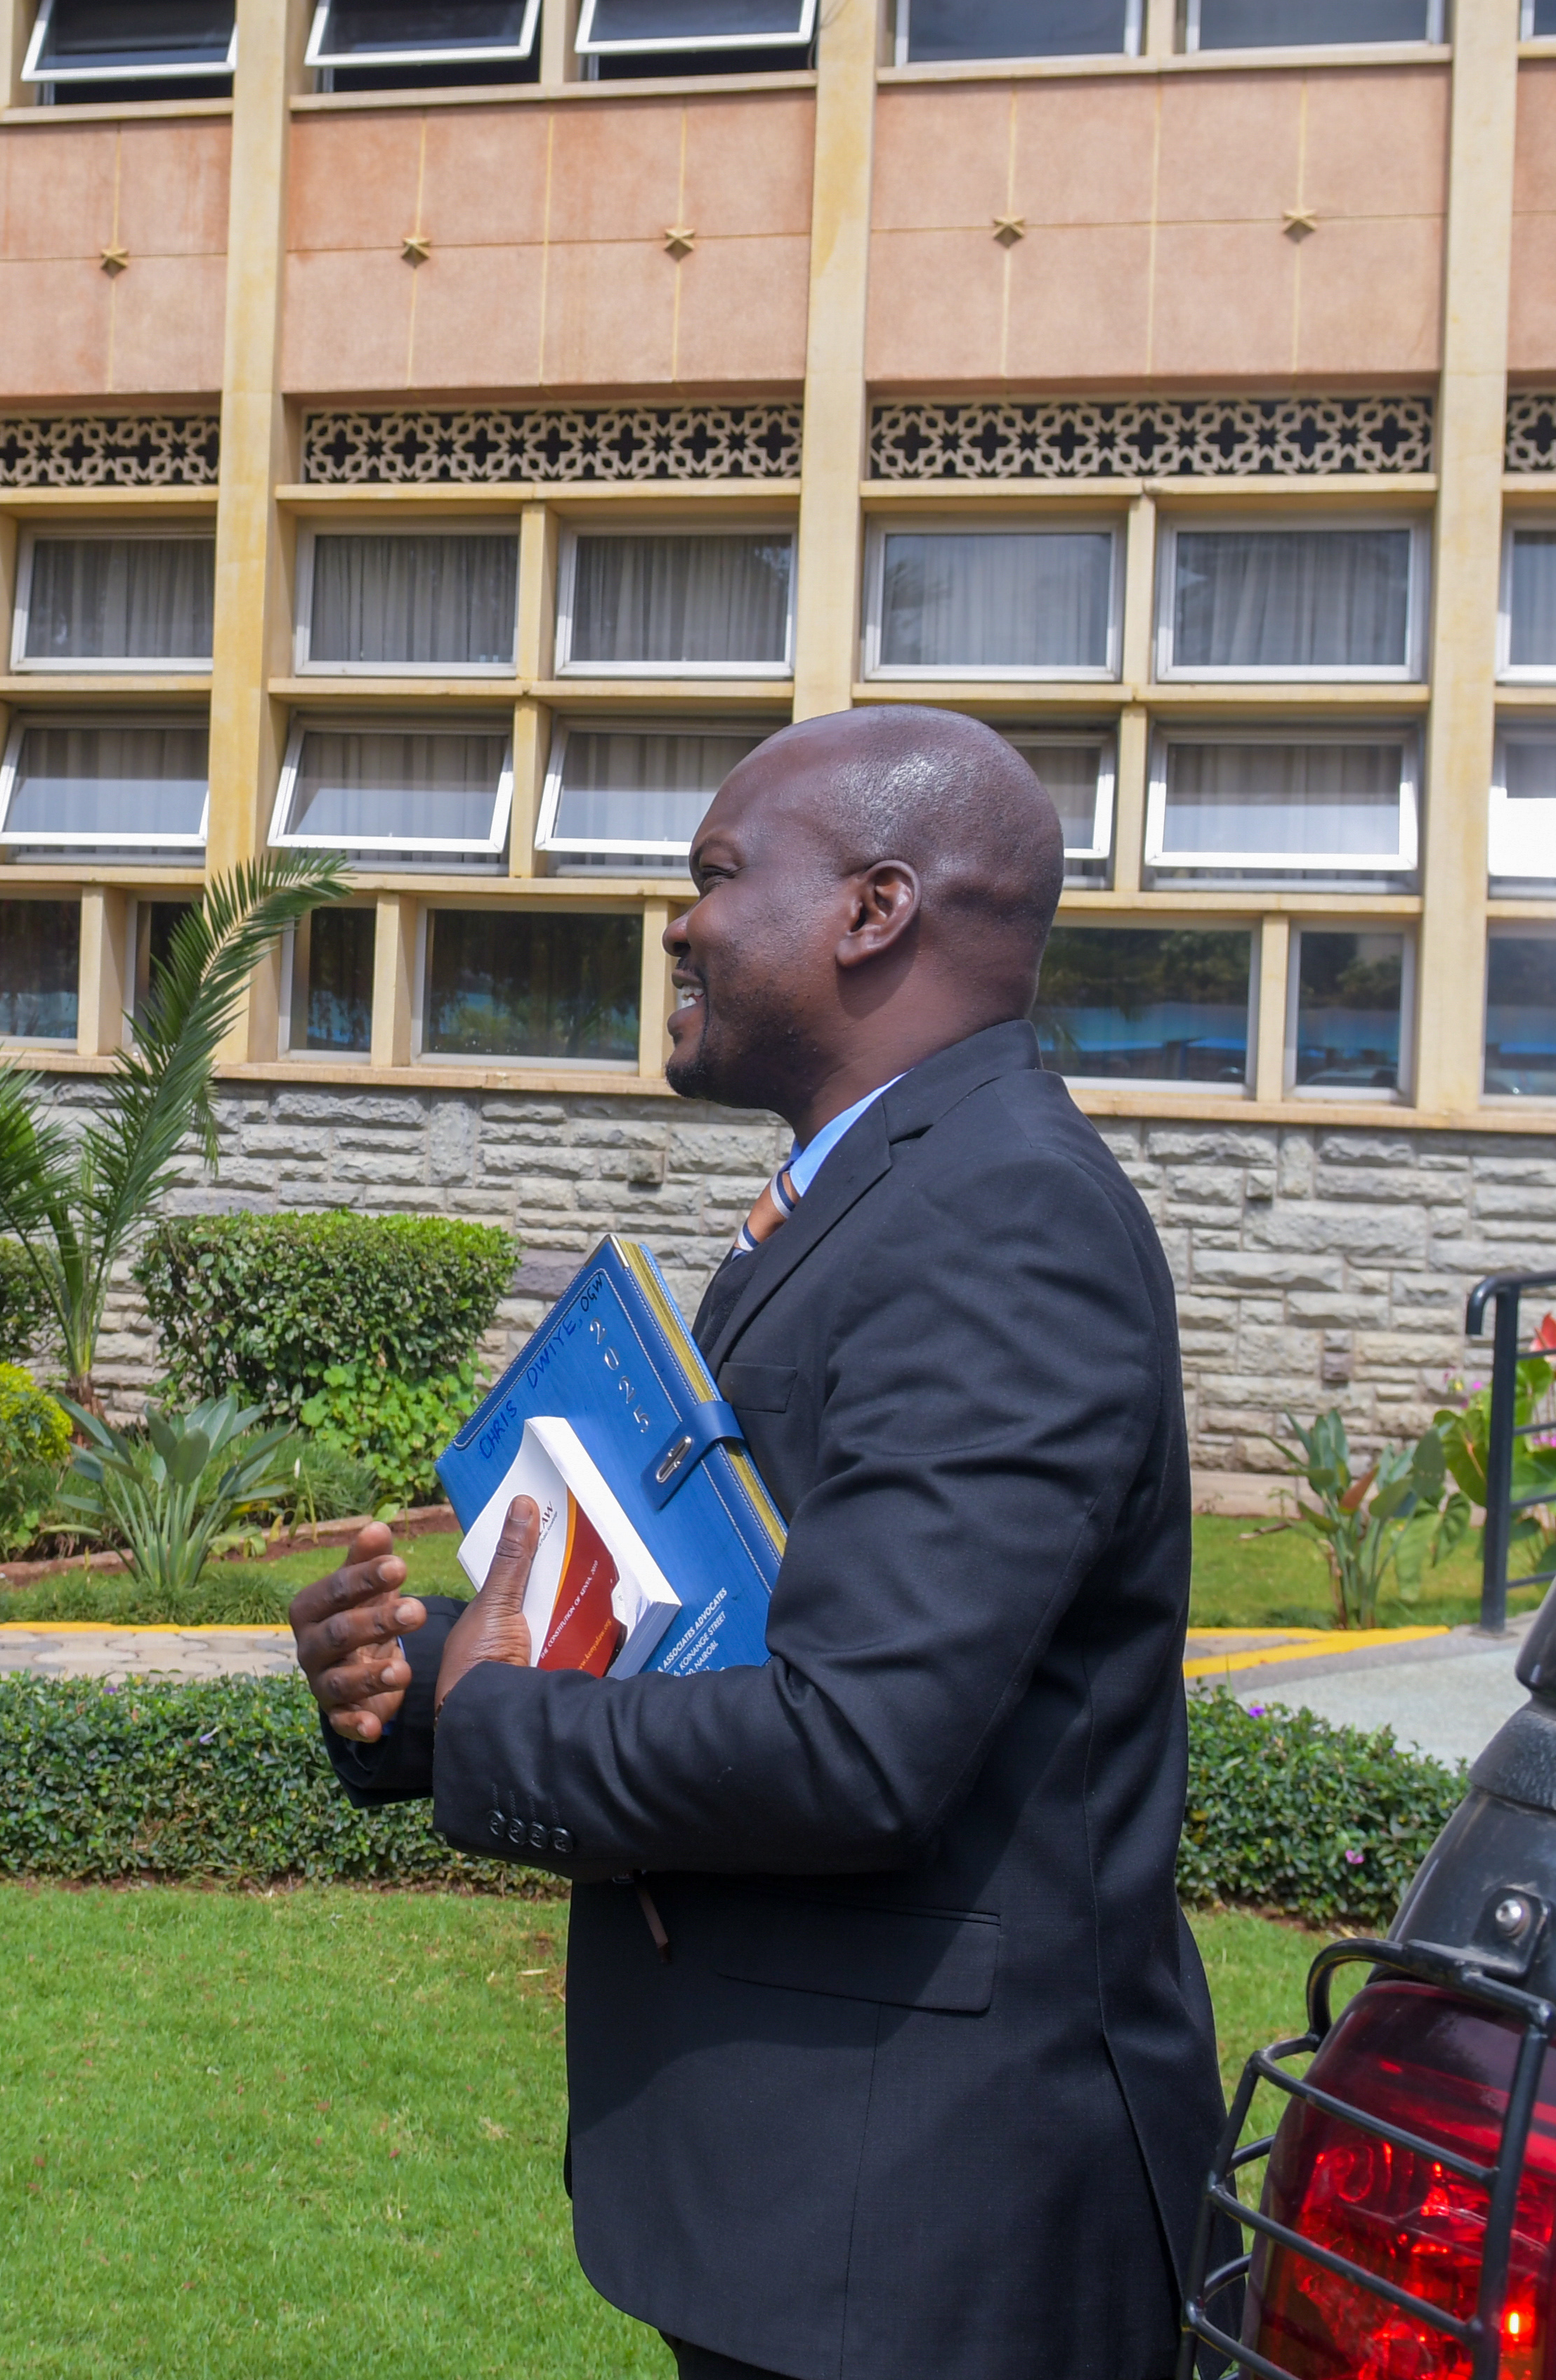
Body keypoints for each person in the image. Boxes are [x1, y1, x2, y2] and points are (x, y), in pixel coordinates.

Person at [289, 704, 1222, 2380]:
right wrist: (425, 1681)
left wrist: (504, 1722)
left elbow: (859, 1740)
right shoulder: (869, 1194)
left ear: (875, 911)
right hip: (819, 2206)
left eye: (716, 874)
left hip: (930, 2236)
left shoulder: (1005, 1219)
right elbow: (741, 1631)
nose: (680, 923)